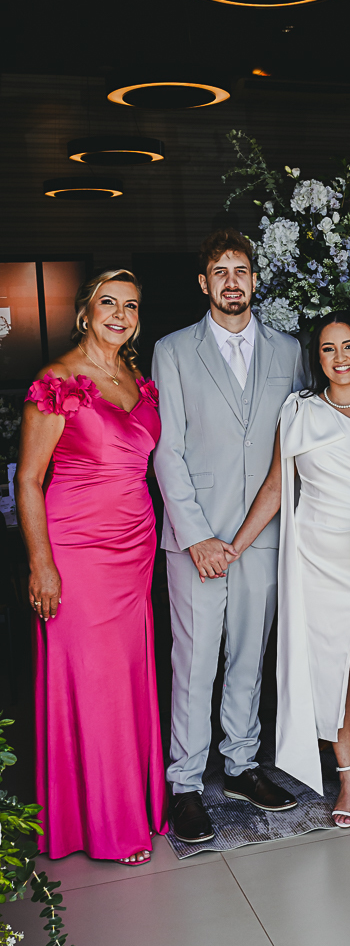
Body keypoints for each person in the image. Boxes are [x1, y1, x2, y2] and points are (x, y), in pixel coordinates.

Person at [231, 310, 350, 850]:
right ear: (316, 358)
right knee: (332, 676)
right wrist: (236, 547)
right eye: (327, 349)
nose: (339, 358)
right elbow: (277, 486)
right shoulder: (299, 412)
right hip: (317, 560)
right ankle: (348, 778)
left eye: (349, 346)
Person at [152, 229, 305, 844]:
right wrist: (196, 536)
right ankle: (186, 783)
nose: (232, 281)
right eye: (221, 272)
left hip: (262, 534)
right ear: (204, 283)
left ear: (255, 279)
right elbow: (167, 451)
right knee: (193, 664)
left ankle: (241, 765)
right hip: (198, 538)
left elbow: (297, 443)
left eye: (241, 270)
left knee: (248, 656)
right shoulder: (172, 350)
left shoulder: (289, 350)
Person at [16, 269, 167, 865]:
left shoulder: (136, 379)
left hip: (134, 550)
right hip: (77, 549)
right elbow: (29, 480)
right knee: (94, 683)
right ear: (86, 311)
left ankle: (129, 805)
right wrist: (41, 564)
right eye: (109, 303)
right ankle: (106, 825)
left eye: (131, 305)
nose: (120, 314)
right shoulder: (56, 381)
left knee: (125, 679)